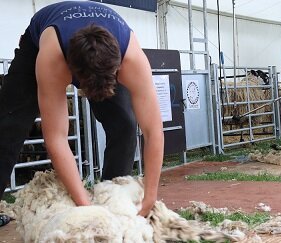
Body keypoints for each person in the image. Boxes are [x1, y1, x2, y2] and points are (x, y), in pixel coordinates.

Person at [0, 0, 164, 226]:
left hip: (102, 57)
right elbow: (56, 138)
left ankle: (112, 199)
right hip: (43, 40)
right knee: (8, 123)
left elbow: (153, 130)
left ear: (118, 68)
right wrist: (86, 207)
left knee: (125, 125)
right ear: (70, 71)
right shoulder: (53, 59)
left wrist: (151, 196)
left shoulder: (132, 60)